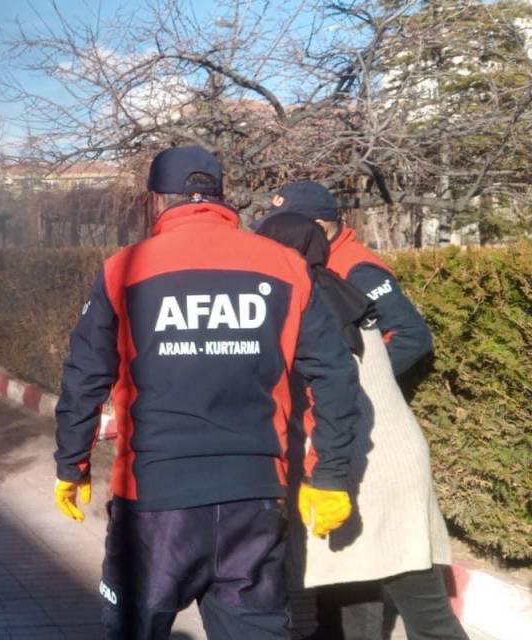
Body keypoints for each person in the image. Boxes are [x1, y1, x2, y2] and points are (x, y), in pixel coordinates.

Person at [53, 146, 364, 640]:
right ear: (221, 197)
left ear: (156, 202)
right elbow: (335, 374)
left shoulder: (124, 268)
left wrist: (72, 465)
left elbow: (85, 377)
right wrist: (330, 477)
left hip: (155, 506)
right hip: (254, 501)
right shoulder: (285, 266)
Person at [258, 211, 466, 640]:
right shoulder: (339, 293)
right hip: (371, 462)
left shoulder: (306, 305)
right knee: (350, 606)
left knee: (425, 617)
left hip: (365, 468)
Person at [257, 181, 433, 376]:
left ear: (319, 227)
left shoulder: (358, 269)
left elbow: (411, 336)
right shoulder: (304, 260)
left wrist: (352, 381)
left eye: (285, 226)